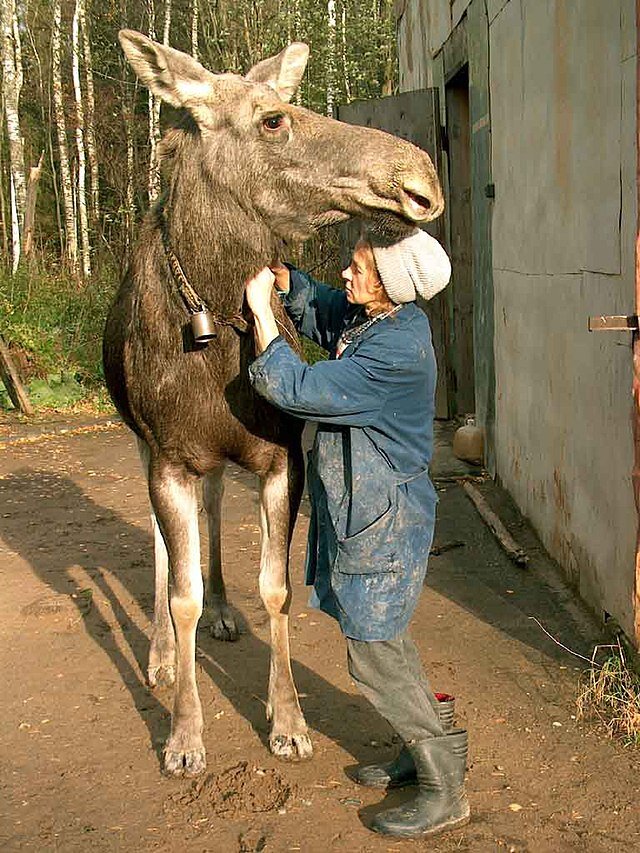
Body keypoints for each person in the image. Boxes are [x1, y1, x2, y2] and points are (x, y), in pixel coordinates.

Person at [244, 227, 469, 839]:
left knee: (372, 653)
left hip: (384, 523)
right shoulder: (382, 320)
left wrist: (262, 312)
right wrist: (288, 283)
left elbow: (294, 388)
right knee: (387, 638)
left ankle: (445, 788)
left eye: (359, 268)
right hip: (369, 510)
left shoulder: (393, 351)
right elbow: (327, 312)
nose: (347, 275)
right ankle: (420, 742)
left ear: (390, 286)